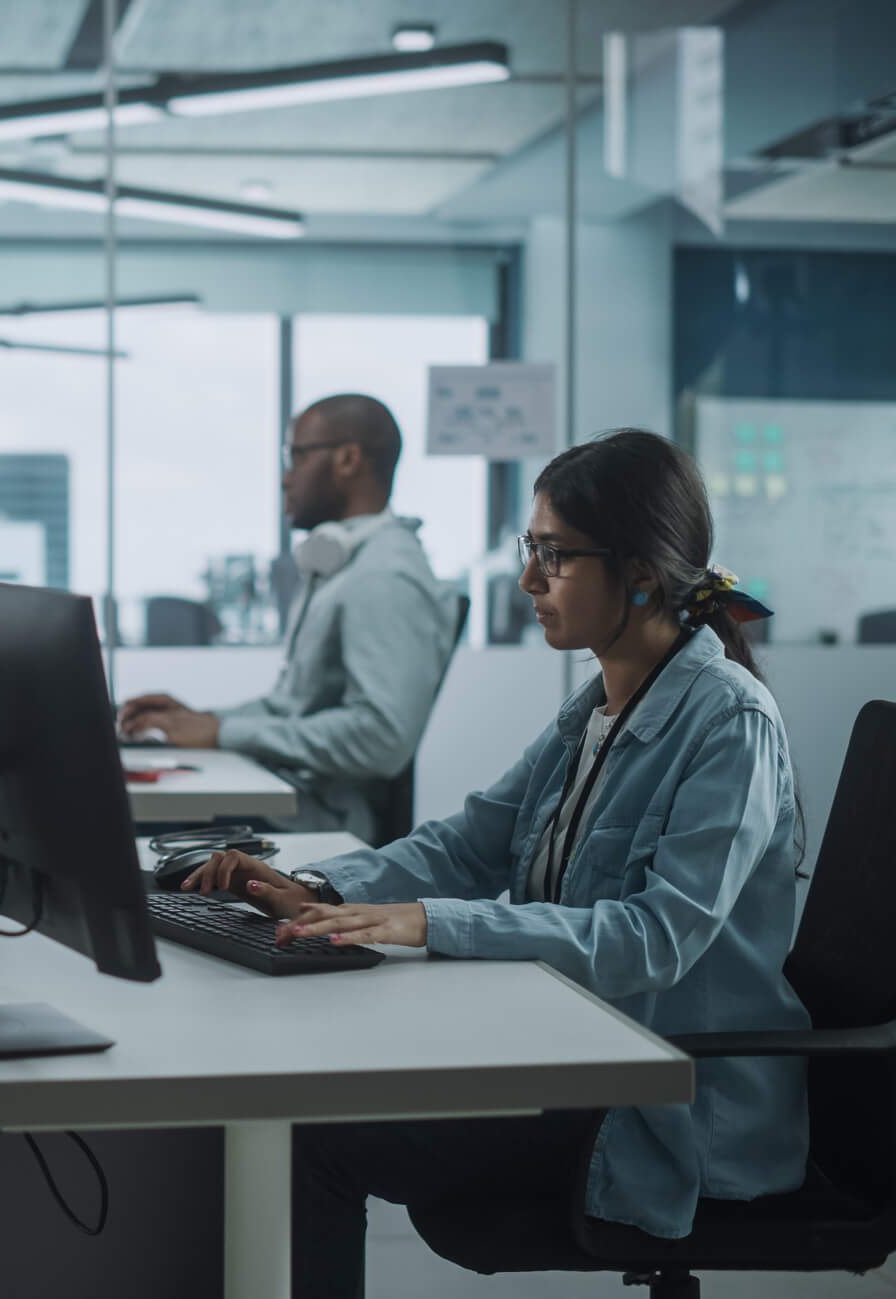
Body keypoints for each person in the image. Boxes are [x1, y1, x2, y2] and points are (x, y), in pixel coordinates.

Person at [181, 430, 806, 1298]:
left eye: (554, 556)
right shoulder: (601, 703)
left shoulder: (728, 722)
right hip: (574, 1050)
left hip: (658, 1110)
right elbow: (475, 839)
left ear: (639, 570)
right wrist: (326, 889)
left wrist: (429, 922)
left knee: (309, 1135)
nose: (526, 581)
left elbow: (656, 939)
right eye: (530, 550)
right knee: (315, 1077)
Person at [118, 393, 456, 841]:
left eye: (297, 455)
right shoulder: (345, 567)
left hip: (315, 821)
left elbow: (381, 739)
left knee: (100, 819)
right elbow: (289, 708)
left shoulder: (383, 578)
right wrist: (201, 720)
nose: (285, 477)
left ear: (348, 459)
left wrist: (223, 733)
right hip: (287, 797)